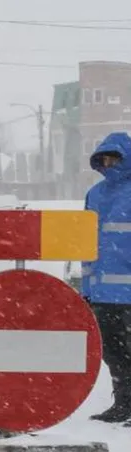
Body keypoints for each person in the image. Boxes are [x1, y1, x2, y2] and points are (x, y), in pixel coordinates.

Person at [82, 132, 131, 422]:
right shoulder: (95, 194)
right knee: (113, 353)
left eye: (115, 157)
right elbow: (85, 244)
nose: (110, 163)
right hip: (102, 294)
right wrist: (87, 288)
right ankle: (124, 404)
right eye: (105, 158)